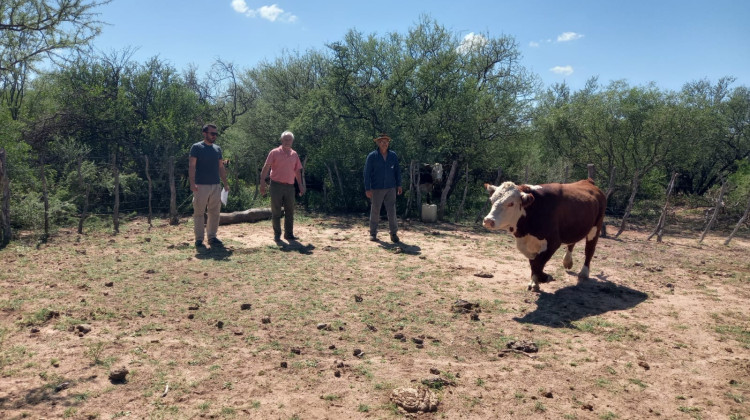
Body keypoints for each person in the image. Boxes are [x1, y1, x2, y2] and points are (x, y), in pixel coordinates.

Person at [260, 130, 306, 241]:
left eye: (289, 139)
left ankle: (289, 234)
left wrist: (300, 185)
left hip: (290, 186)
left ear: (292, 141)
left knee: (290, 211)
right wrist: (262, 182)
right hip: (276, 185)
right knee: (276, 211)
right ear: (281, 140)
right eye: (285, 139)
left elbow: (297, 172)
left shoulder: (294, 154)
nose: (287, 141)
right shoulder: (274, 152)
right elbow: (266, 167)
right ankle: (277, 234)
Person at [189, 123, 229, 247]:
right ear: (204, 133)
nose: (214, 136)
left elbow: (221, 167)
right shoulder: (196, 147)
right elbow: (192, 166)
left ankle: (212, 237)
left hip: (215, 185)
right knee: (199, 212)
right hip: (200, 185)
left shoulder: (217, 149)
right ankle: (199, 239)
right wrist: (192, 183)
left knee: (214, 212)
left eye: (216, 134)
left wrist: (225, 183)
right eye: (212, 133)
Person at [363, 134, 402, 242]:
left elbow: (397, 171)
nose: (384, 144)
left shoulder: (393, 156)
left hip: (391, 187)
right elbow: (367, 173)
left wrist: (399, 184)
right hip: (377, 187)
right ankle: (373, 233)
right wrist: (367, 188)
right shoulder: (372, 156)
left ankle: (393, 234)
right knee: (375, 210)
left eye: (386, 142)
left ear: (388, 143)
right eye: (382, 142)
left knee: (392, 211)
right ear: (378, 143)